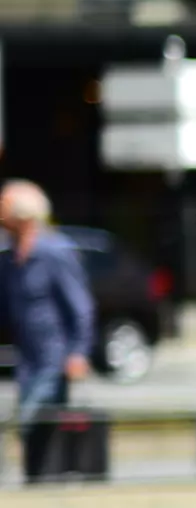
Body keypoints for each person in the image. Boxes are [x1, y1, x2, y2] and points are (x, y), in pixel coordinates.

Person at [0, 180, 96, 476]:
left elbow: (81, 306)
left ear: (23, 215)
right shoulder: (10, 258)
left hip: (54, 359)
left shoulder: (54, 252)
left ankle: (45, 482)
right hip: (27, 360)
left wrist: (78, 352)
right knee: (35, 428)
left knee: (32, 421)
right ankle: (38, 482)